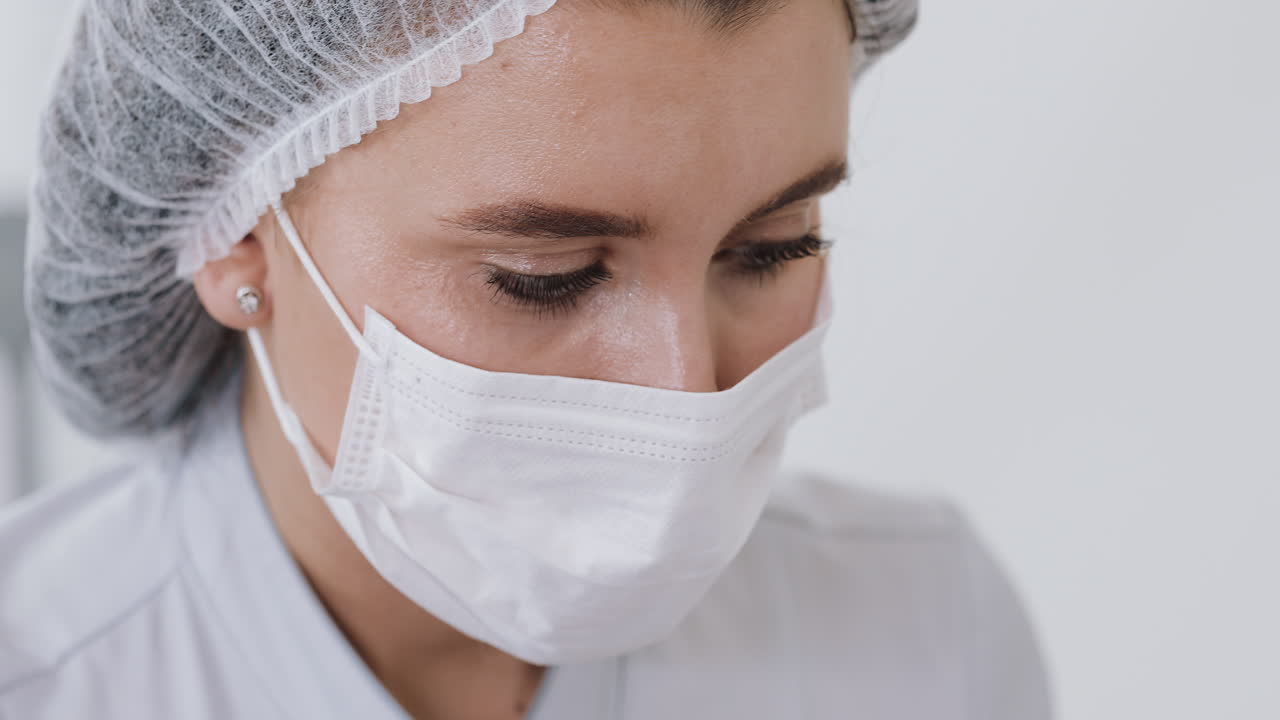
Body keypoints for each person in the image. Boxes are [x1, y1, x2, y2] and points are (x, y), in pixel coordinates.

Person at [0, 0, 1052, 717]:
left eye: (771, 247)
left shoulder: (920, 628)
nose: (680, 390)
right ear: (233, 240)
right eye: (543, 274)